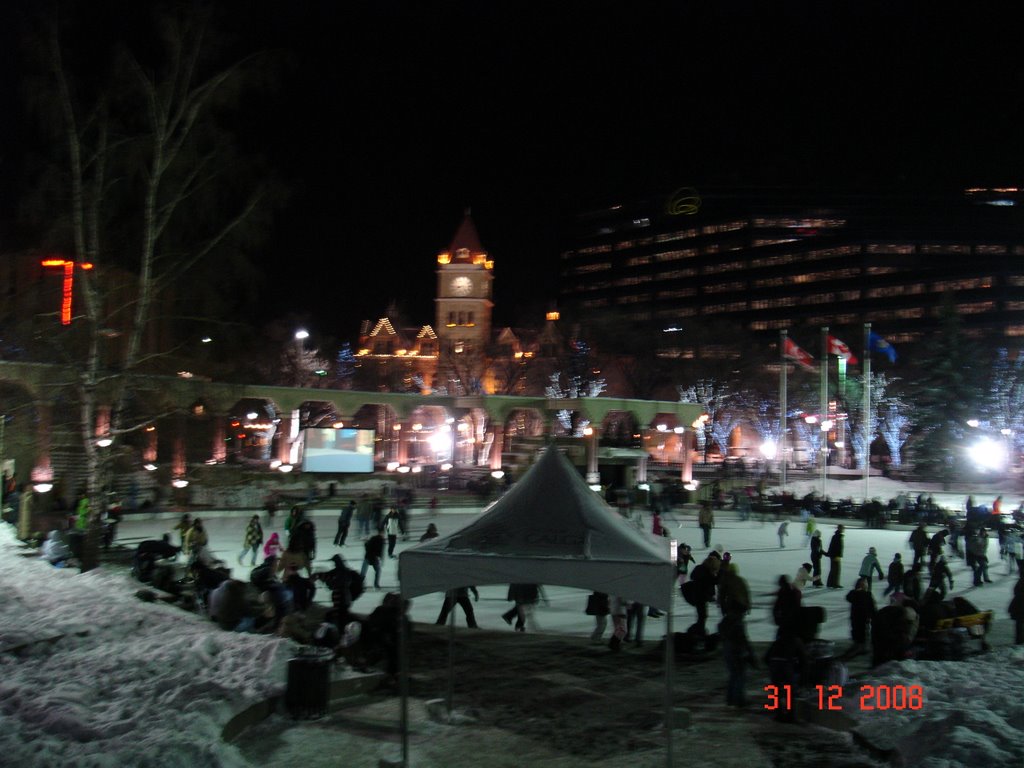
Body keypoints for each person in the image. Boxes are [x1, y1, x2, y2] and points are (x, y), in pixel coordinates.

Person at [718, 562, 753, 707]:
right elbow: (746, 592)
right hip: (735, 647)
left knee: (733, 673)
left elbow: (721, 597)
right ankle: (738, 699)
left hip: (729, 640)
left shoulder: (725, 581)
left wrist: (724, 609)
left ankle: (731, 698)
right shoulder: (739, 581)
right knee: (739, 673)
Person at [683, 551, 721, 635]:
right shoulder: (706, 572)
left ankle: (698, 631)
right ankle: (697, 632)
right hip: (700, 596)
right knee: (702, 616)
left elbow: (692, 576)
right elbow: (714, 581)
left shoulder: (700, 569)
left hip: (698, 596)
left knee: (702, 616)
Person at [845, 578, 876, 657]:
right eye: (861, 584)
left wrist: (872, 616)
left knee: (864, 632)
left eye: (864, 584)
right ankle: (857, 644)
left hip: (864, 617)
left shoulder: (868, 594)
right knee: (855, 631)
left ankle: (863, 647)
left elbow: (872, 606)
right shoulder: (854, 593)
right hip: (855, 616)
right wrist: (856, 591)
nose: (863, 585)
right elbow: (848, 598)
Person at [1010, 574, 1024, 645]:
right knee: (1020, 623)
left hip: (1018, 606)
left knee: (1019, 624)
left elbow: (1016, 590)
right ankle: (1019, 641)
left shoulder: (1021, 581)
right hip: (1020, 606)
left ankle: (1019, 641)